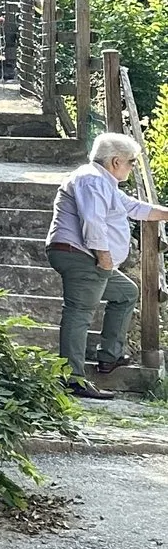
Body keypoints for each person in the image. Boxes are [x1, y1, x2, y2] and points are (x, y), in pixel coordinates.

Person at [45, 131, 168, 395]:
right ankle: (73, 379)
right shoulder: (92, 180)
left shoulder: (104, 182)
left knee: (126, 293)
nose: (133, 167)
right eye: (131, 161)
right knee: (79, 313)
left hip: (84, 256)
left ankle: (110, 356)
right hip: (82, 255)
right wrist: (104, 257)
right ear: (115, 161)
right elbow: (92, 220)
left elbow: (135, 208)